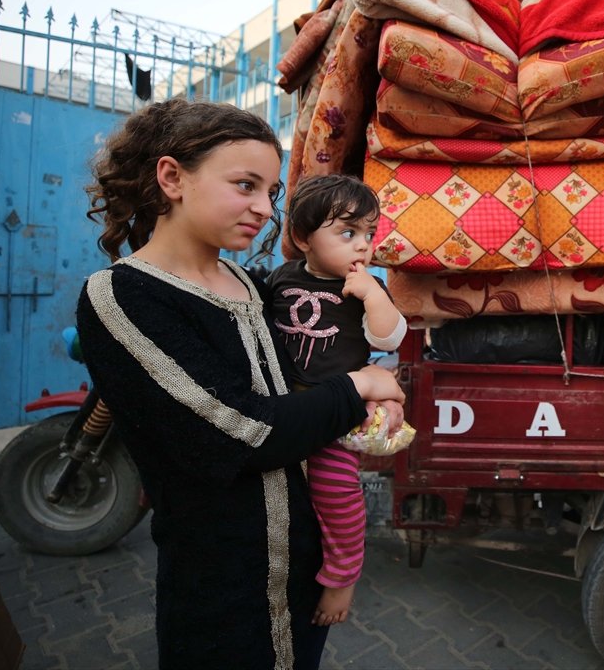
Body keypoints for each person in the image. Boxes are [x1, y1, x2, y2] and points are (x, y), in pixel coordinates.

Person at [76, 98, 405, 670]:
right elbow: (243, 432)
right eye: (246, 185)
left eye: (271, 193)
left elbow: (306, 375)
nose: (263, 209)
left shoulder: (246, 283)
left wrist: (374, 395)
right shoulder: (124, 296)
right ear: (173, 177)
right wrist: (360, 386)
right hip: (224, 587)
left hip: (301, 566)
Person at [267, 174, 408, 627]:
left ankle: (342, 576)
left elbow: (391, 336)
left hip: (335, 418)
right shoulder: (279, 279)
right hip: (284, 409)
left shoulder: (367, 288)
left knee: (339, 499)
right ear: (303, 238)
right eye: (348, 233)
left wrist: (371, 295)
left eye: (369, 233)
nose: (363, 245)